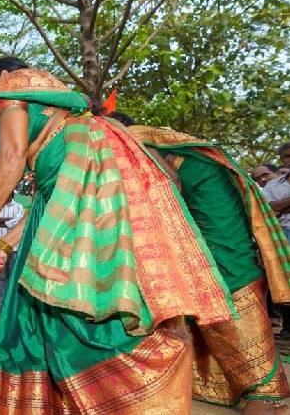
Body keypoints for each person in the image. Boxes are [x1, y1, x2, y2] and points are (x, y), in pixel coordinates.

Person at [0, 58, 235, 413]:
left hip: (83, 192)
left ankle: (149, 379)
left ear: (3, 76)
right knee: (45, 309)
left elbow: (12, 157)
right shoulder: (64, 122)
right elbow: (44, 203)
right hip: (81, 192)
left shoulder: (11, 92)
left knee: (64, 313)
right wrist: (1, 245)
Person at [115, 117, 290, 409]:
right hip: (208, 201)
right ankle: (248, 385)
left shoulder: (130, 137)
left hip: (210, 208)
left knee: (225, 280)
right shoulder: (150, 136)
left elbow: (169, 180)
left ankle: (265, 392)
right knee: (210, 281)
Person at [0, 195, 24, 307]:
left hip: (13, 248)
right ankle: (2, 305)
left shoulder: (19, 207)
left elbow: (18, 222)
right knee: (0, 277)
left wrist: (1, 222)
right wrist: (7, 221)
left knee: (13, 276)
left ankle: (13, 305)